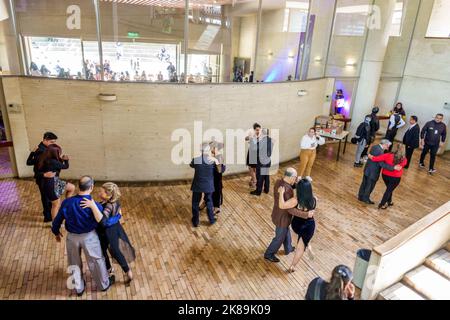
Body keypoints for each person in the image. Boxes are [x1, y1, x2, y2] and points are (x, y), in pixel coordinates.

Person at [52, 176, 114, 296]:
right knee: (97, 261)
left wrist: (56, 232)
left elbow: (57, 221)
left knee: (73, 262)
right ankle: (103, 284)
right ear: (91, 187)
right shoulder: (95, 205)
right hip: (90, 237)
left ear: (79, 186)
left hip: (72, 238)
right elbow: (103, 223)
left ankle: (79, 289)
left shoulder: (67, 203)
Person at [81, 182, 135, 285]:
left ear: (108, 195)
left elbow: (103, 221)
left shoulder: (108, 206)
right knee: (117, 251)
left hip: (105, 233)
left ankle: (110, 271)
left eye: (101, 191)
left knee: (103, 251)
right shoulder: (115, 201)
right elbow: (120, 213)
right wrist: (117, 218)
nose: (99, 192)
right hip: (116, 229)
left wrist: (93, 206)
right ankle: (128, 272)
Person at [264, 168, 313, 263]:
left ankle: (288, 248)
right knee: (279, 238)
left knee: (286, 232)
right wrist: (306, 214)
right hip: (282, 218)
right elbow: (289, 209)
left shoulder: (279, 182)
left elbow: (290, 185)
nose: (295, 179)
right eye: (295, 178)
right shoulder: (287, 191)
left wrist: (298, 183)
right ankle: (269, 254)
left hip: (277, 214)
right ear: (291, 177)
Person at [278, 179, 316, 273]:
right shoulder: (314, 199)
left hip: (297, 225)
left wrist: (281, 193)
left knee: (299, 242)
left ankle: (308, 245)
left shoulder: (295, 200)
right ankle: (293, 266)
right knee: (301, 247)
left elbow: (282, 205)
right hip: (309, 225)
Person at [26, 132, 58, 222]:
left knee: (48, 196)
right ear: (45, 140)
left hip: (48, 178)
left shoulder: (46, 149)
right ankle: (48, 217)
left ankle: (49, 213)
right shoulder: (41, 151)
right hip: (43, 179)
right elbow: (29, 163)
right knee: (46, 197)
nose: (54, 144)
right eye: (52, 142)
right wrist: (44, 175)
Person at [37, 145, 75, 220]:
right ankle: (55, 224)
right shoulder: (53, 162)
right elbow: (65, 166)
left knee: (71, 187)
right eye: (59, 152)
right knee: (56, 205)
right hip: (51, 185)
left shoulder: (44, 158)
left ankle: (67, 205)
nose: (60, 154)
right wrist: (66, 160)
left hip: (53, 182)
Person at [358, 139, 400, 205]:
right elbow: (382, 164)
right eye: (388, 146)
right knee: (370, 185)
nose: (388, 147)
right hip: (373, 171)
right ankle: (365, 199)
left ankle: (360, 196)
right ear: (385, 144)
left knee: (364, 183)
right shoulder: (380, 152)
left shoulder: (375, 146)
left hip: (368, 169)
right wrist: (393, 167)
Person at [369, 144, 408, 210]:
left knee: (389, 189)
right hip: (395, 177)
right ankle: (382, 204)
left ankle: (389, 201)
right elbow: (398, 168)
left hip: (385, 176)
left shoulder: (388, 155)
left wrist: (370, 156)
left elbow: (377, 159)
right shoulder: (404, 160)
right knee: (389, 190)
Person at [190, 143, 218, 227]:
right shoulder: (213, 160)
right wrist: (217, 159)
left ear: (200, 150)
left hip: (197, 184)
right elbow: (221, 170)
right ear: (209, 150)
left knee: (195, 202)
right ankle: (211, 220)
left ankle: (195, 221)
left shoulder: (196, 160)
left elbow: (191, 165)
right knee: (209, 202)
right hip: (208, 185)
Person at [251, 128, 273, 196]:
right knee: (266, 176)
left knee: (260, 177)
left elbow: (254, 148)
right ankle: (266, 189)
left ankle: (258, 191)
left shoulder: (262, 141)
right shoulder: (270, 140)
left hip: (261, 162)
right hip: (267, 161)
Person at [210, 142, 226, 215]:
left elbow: (219, 170)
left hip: (216, 179)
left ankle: (217, 208)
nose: (210, 149)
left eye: (211, 147)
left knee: (216, 193)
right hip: (214, 178)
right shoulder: (215, 156)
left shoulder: (218, 157)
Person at [246, 123, 262, 188]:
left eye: (259, 130)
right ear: (254, 130)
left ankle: (255, 181)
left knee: (251, 168)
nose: (258, 131)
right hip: (252, 152)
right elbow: (246, 139)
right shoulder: (252, 135)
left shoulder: (261, 136)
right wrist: (249, 137)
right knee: (252, 168)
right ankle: (253, 179)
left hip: (255, 153)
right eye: (257, 130)